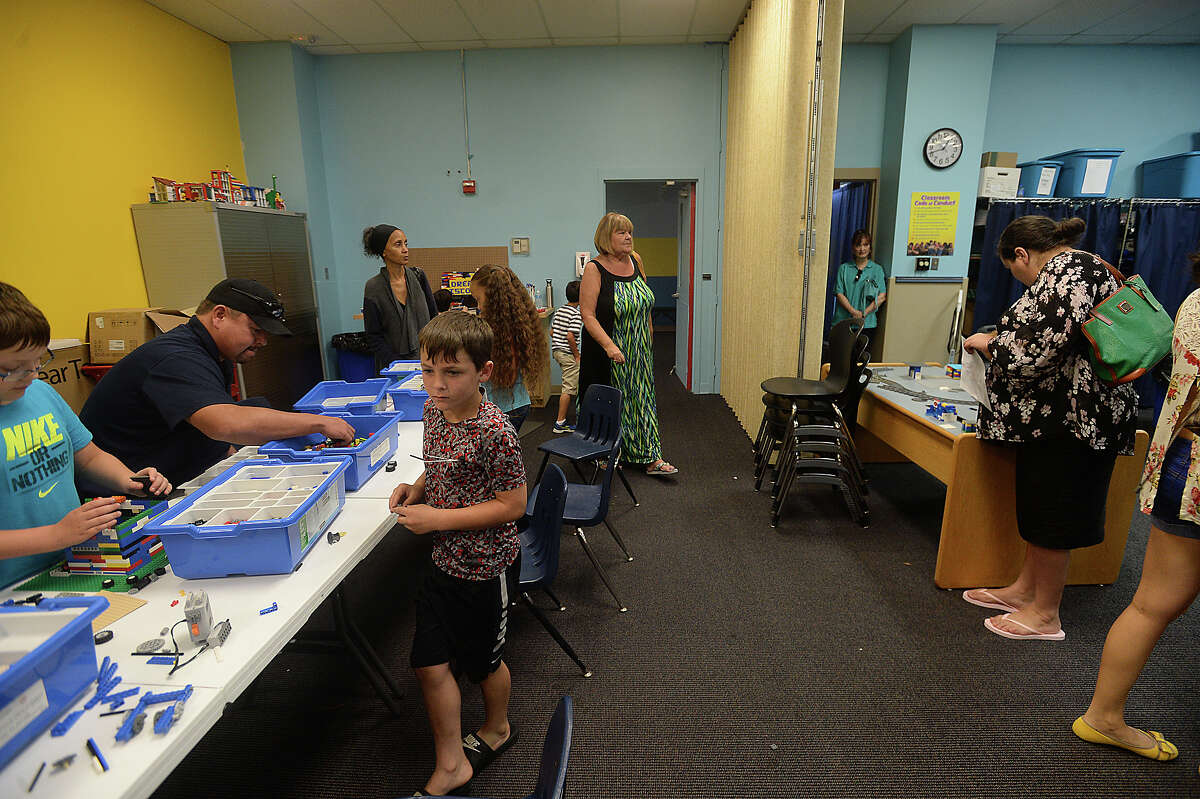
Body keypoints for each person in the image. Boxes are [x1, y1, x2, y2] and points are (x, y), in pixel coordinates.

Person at [961, 216, 1137, 640]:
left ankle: (1045, 614)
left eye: (1013, 271)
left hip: (1076, 419)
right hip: (1058, 418)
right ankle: (1026, 590)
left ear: (1022, 255)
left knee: (1056, 509)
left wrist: (988, 343)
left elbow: (1033, 353)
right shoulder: (1080, 268)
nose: (1018, 280)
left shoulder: (1066, 275)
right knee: (1040, 503)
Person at [388, 312, 526, 796]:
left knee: (484, 663)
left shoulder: (496, 431)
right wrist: (417, 487)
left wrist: (438, 519)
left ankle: (497, 728)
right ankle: (451, 764)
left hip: (486, 569)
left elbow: (513, 504)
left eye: (452, 373)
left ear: (483, 373)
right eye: (428, 371)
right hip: (444, 562)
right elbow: (440, 465)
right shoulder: (432, 412)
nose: (437, 385)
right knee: (429, 662)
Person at [1071, 249, 1200, 763]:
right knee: (1153, 603)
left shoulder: (1194, 302)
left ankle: (1103, 715)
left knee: (1151, 603)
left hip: (1182, 459)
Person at [81, 279, 354, 485]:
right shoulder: (175, 357)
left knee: (258, 407)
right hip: (132, 488)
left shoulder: (212, 353)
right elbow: (225, 424)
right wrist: (318, 422)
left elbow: (218, 426)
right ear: (220, 315)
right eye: (256, 330)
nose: (262, 341)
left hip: (174, 464)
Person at [0, 283, 171, 589]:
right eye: (15, 368)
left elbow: (88, 456)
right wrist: (55, 535)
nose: (33, 374)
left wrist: (128, 479)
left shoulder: (40, 393)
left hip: (72, 563)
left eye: (39, 360)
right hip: (11, 586)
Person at [578, 212, 677, 476]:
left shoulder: (636, 261)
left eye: (630, 231)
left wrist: (650, 338)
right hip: (609, 349)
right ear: (606, 237)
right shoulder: (594, 269)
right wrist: (610, 346)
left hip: (640, 347)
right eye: (621, 232)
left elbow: (645, 305)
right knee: (613, 401)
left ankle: (649, 455)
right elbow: (587, 314)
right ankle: (606, 452)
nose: (628, 237)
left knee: (642, 400)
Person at [469, 263, 546, 433]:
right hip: (517, 403)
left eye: (479, 299)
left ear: (492, 297)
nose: (479, 307)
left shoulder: (495, 331)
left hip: (503, 409)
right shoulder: (519, 321)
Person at [362, 224, 438, 371]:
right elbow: (373, 336)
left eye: (405, 243)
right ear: (384, 251)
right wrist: (397, 365)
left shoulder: (418, 276)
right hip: (392, 367)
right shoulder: (373, 288)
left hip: (427, 361)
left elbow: (434, 318)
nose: (405, 249)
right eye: (398, 244)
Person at [831, 229, 887, 346]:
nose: (862, 249)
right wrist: (853, 312)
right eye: (858, 245)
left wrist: (863, 313)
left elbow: (881, 296)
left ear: (870, 247)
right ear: (853, 247)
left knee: (860, 360)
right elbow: (839, 293)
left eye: (865, 245)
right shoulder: (844, 269)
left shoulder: (877, 270)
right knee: (841, 360)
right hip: (844, 322)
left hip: (867, 324)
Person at [550, 280, 583, 433]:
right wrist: (577, 356)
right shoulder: (576, 314)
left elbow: (552, 332)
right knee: (568, 388)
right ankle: (560, 423)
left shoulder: (561, 310)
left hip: (557, 352)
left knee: (570, 385)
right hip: (568, 354)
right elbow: (570, 336)